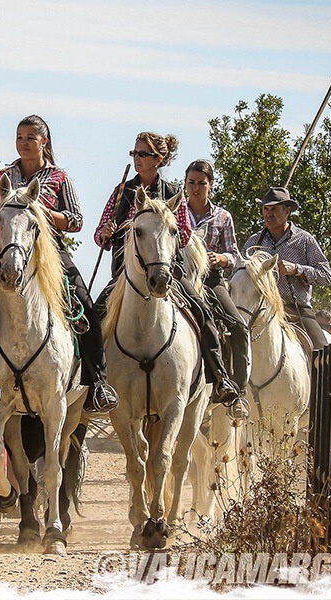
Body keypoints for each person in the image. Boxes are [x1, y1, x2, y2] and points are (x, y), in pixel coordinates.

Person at [0, 115, 117, 412]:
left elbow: (75, 220)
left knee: (85, 305)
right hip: (10, 252)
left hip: (49, 254)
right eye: (19, 137)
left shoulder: (59, 178)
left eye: (30, 138)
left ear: (44, 142)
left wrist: (43, 214)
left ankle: (98, 381)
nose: (23, 143)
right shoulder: (3, 178)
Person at [92, 132, 244, 410]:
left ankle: (220, 377)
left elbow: (184, 236)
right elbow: (99, 236)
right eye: (135, 154)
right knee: (93, 316)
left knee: (202, 310)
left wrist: (163, 226)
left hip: (168, 271)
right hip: (126, 274)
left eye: (143, 154)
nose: (137, 159)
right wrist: (107, 232)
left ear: (158, 160)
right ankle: (93, 383)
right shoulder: (122, 192)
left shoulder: (174, 193)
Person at [183, 159, 250, 393]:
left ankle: (237, 389)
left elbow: (234, 255)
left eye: (201, 183)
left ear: (211, 184)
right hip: (180, 279)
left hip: (211, 280)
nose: (196, 188)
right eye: (191, 182)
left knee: (239, 326)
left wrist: (220, 259)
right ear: (185, 183)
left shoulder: (223, 217)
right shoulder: (176, 212)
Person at [242, 187, 331, 349]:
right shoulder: (254, 242)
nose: (268, 214)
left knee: (322, 350)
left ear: (287, 211)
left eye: (274, 209)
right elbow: (239, 272)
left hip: (296, 311)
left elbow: (326, 276)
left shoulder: (304, 240)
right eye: (266, 209)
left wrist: (297, 270)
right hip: (261, 311)